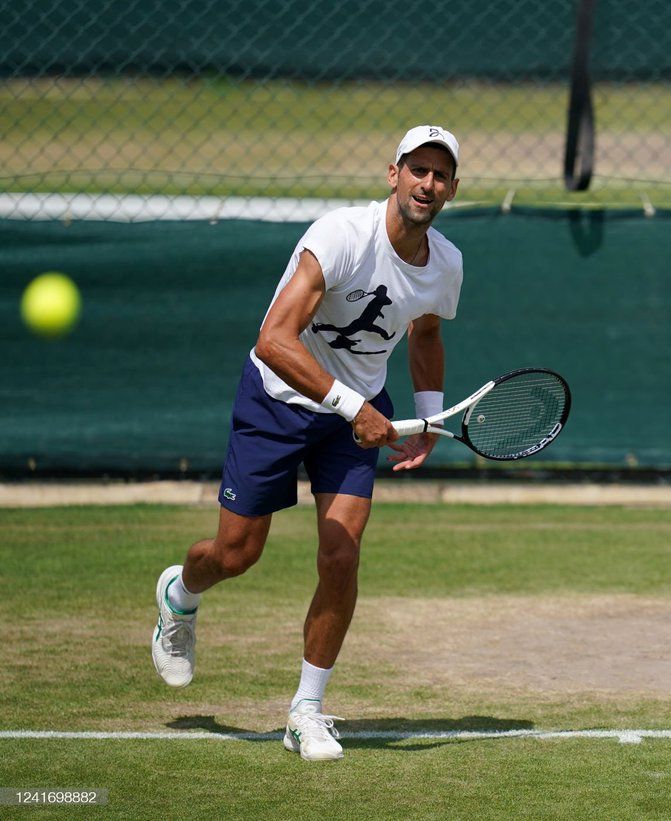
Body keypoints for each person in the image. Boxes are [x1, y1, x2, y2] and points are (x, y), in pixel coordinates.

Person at [151, 125, 464, 759]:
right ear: (393, 174)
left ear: (452, 188)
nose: (427, 184)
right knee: (237, 554)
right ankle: (179, 594)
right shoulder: (341, 237)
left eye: (440, 175)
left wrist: (426, 418)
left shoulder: (446, 264)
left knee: (341, 555)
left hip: (356, 415)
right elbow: (274, 338)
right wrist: (352, 406)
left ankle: (307, 709)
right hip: (279, 397)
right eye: (417, 170)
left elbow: (424, 335)